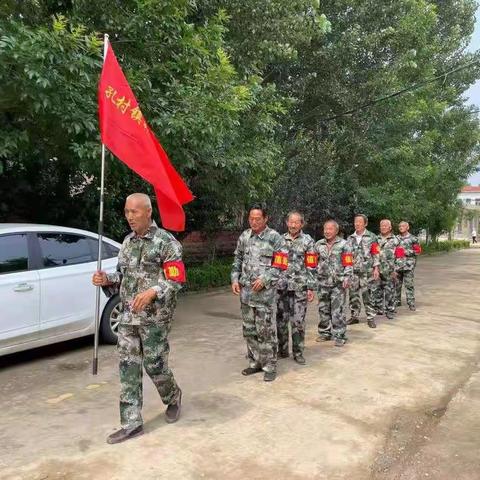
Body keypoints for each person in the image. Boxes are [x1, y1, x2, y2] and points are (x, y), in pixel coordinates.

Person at [92, 193, 185, 444]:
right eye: (126, 212)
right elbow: (124, 277)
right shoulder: (127, 242)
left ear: (148, 212)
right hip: (128, 317)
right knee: (128, 367)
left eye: (134, 212)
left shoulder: (166, 242)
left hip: (155, 319)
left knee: (155, 364)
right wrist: (107, 280)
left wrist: (153, 291)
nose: (129, 217)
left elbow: (176, 279)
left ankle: (173, 396)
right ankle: (131, 423)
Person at [231, 204, 288, 382]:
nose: (253, 222)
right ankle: (255, 362)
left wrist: (265, 279)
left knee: (265, 331)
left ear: (265, 219)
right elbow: (237, 258)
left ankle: (270, 365)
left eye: (257, 219)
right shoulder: (245, 236)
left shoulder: (275, 238)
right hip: (246, 294)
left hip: (264, 295)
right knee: (249, 330)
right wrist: (234, 278)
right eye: (251, 219)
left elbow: (281, 264)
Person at [275, 211, 316, 365]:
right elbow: (277, 264)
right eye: (290, 222)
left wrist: (310, 287)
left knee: (298, 321)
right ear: (287, 223)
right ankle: (283, 350)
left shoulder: (308, 241)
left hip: (300, 287)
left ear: (301, 224)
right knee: (281, 320)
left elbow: (311, 265)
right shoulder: (280, 240)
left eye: (296, 222)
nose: (292, 225)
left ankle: (298, 352)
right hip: (282, 287)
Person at [314, 220, 353, 346]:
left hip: (338, 283)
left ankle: (340, 335)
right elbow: (312, 262)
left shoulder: (344, 244)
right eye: (325, 229)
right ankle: (325, 333)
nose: (327, 231)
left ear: (336, 231)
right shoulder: (318, 244)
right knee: (323, 309)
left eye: (330, 229)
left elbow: (348, 262)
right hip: (322, 282)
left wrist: (347, 277)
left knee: (338, 310)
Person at [346, 214, 380, 328]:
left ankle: (370, 317)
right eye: (356, 221)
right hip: (353, 272)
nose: (357, 224)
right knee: (353, 295)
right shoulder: (350, 238)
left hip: (367, 271)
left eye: (360, 222)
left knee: (368, 295)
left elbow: (376, 253)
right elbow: (347, 255)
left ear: (365, 223)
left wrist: (376, 268)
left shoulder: (372, 237)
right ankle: (354, 316)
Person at [374, 219, 405, 319]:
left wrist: (396, 270)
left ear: (390, 227)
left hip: (390, 270)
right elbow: (372, 254)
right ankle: (379, 308)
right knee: (377, 290)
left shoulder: (396, 240)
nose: (383, 227)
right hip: (378, 269)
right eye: (381, 225)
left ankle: (390, 310)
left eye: (385, 225)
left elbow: (400, 256)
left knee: (390, 291)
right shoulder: (375, 239)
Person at [396, 221, 421, 311]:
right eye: (399, 226)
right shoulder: (396, 238)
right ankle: (397, 301)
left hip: (408, 266)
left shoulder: (413, 239)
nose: (401, 227)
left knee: (409, 285)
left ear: (408, 227)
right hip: (397, 266)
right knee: (397, 285)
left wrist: (405, 252)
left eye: (403, 226)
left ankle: (411, 303)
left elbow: (418, 251)